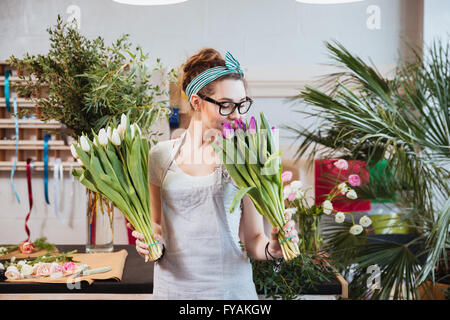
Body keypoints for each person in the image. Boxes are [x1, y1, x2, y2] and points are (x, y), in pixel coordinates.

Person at [127, 48, 299, 300]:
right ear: (196, 102)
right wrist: (148, 242)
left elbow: (252, 239)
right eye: (226, 105)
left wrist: (273, 248)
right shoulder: (160, 156)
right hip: (173, 291)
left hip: (232, 292)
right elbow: (157, 227)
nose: (237, 115)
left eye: (241, 104)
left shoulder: (245, 156)